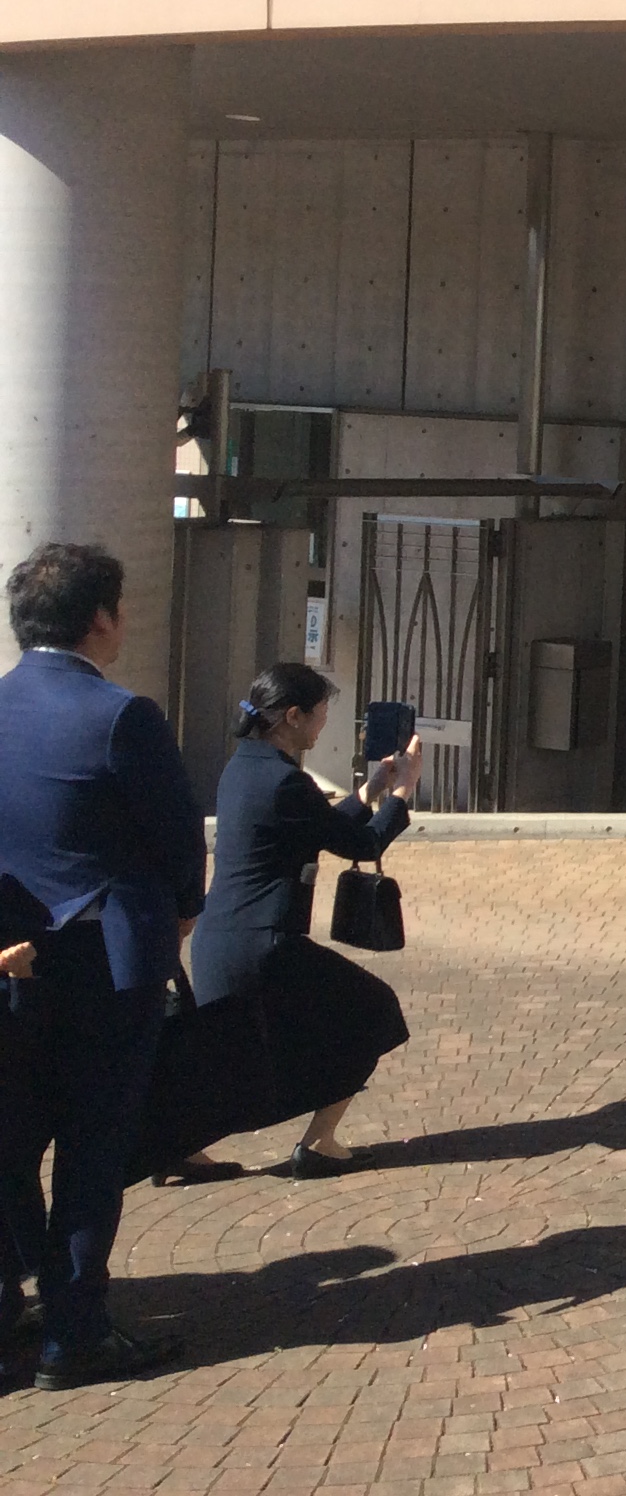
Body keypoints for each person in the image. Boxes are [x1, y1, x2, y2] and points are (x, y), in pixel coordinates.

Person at [0, 542, 204, 1389]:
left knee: (11, 1143)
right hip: (105, 965)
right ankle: (74, 1333)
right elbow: (180, 843)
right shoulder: (122, 716)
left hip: (11, 965)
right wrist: (181, 912)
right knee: (91, 1148)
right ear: (100, 620)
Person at [183, 663, 418, 1180]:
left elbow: (318, 826)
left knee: (232, 1053)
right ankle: (319, 1143)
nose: (323, 725)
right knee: (371, 1010)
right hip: (265, 945)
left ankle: (178, 1145)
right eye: (319, 714)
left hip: (223, 940)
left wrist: (372, 790)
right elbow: (362, 844)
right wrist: (402, 793)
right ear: (293, 716)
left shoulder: (244, 767)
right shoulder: (285, 781)